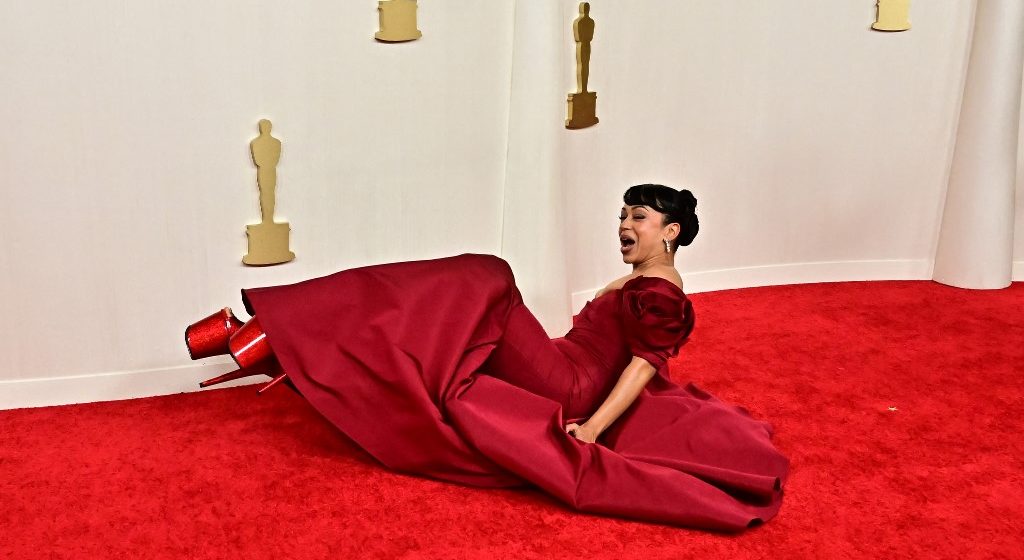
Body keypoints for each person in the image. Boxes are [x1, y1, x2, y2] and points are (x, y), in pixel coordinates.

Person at [184, 184, 789, 531]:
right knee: (456, 307)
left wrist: (594, 429)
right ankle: (283, 337)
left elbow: (643, 366)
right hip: (560, 359)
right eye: (622, 216)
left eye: (640, 218)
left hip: (570, 386)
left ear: (672, 232)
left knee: (488, 276)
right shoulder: (640, 284)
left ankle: (278, 332)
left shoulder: (661, 294)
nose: (625, 226)